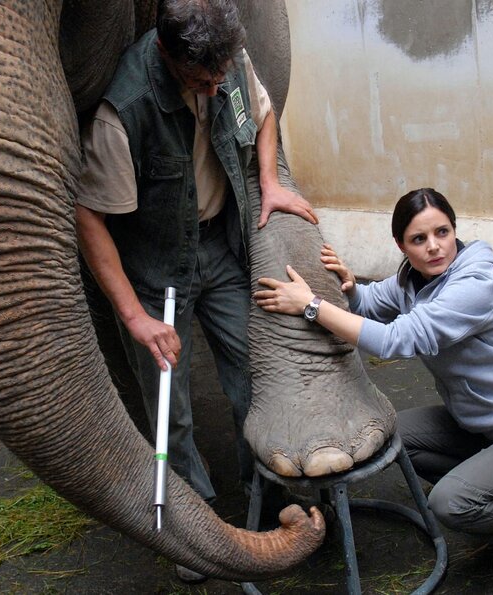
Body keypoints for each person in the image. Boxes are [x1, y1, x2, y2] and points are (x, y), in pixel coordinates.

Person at [75, 0, 317, 583]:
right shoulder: (123, 110)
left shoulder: (228, 64)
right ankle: (195, 522)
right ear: (166, 55)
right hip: (155, 267)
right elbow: (89, 218)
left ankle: (266, 492)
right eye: (199, 81)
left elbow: (262, 114)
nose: (214, 90)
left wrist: (268, 180)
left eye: (219, 78)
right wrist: (134, 315)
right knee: (171, 408)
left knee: (255, 373)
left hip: (217, 247)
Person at [253, 188, 493, 581]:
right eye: (419, 239)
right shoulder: (414, 277)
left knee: (451, 503)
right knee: (393, 435)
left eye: (442, 232)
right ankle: (490, 487)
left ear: (455, 230)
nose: (435, 248)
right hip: (480, 424)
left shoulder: (476, 283)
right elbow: (372, 303)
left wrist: (312, 306)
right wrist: (349, 286)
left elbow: (395, 340)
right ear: (401, 245)